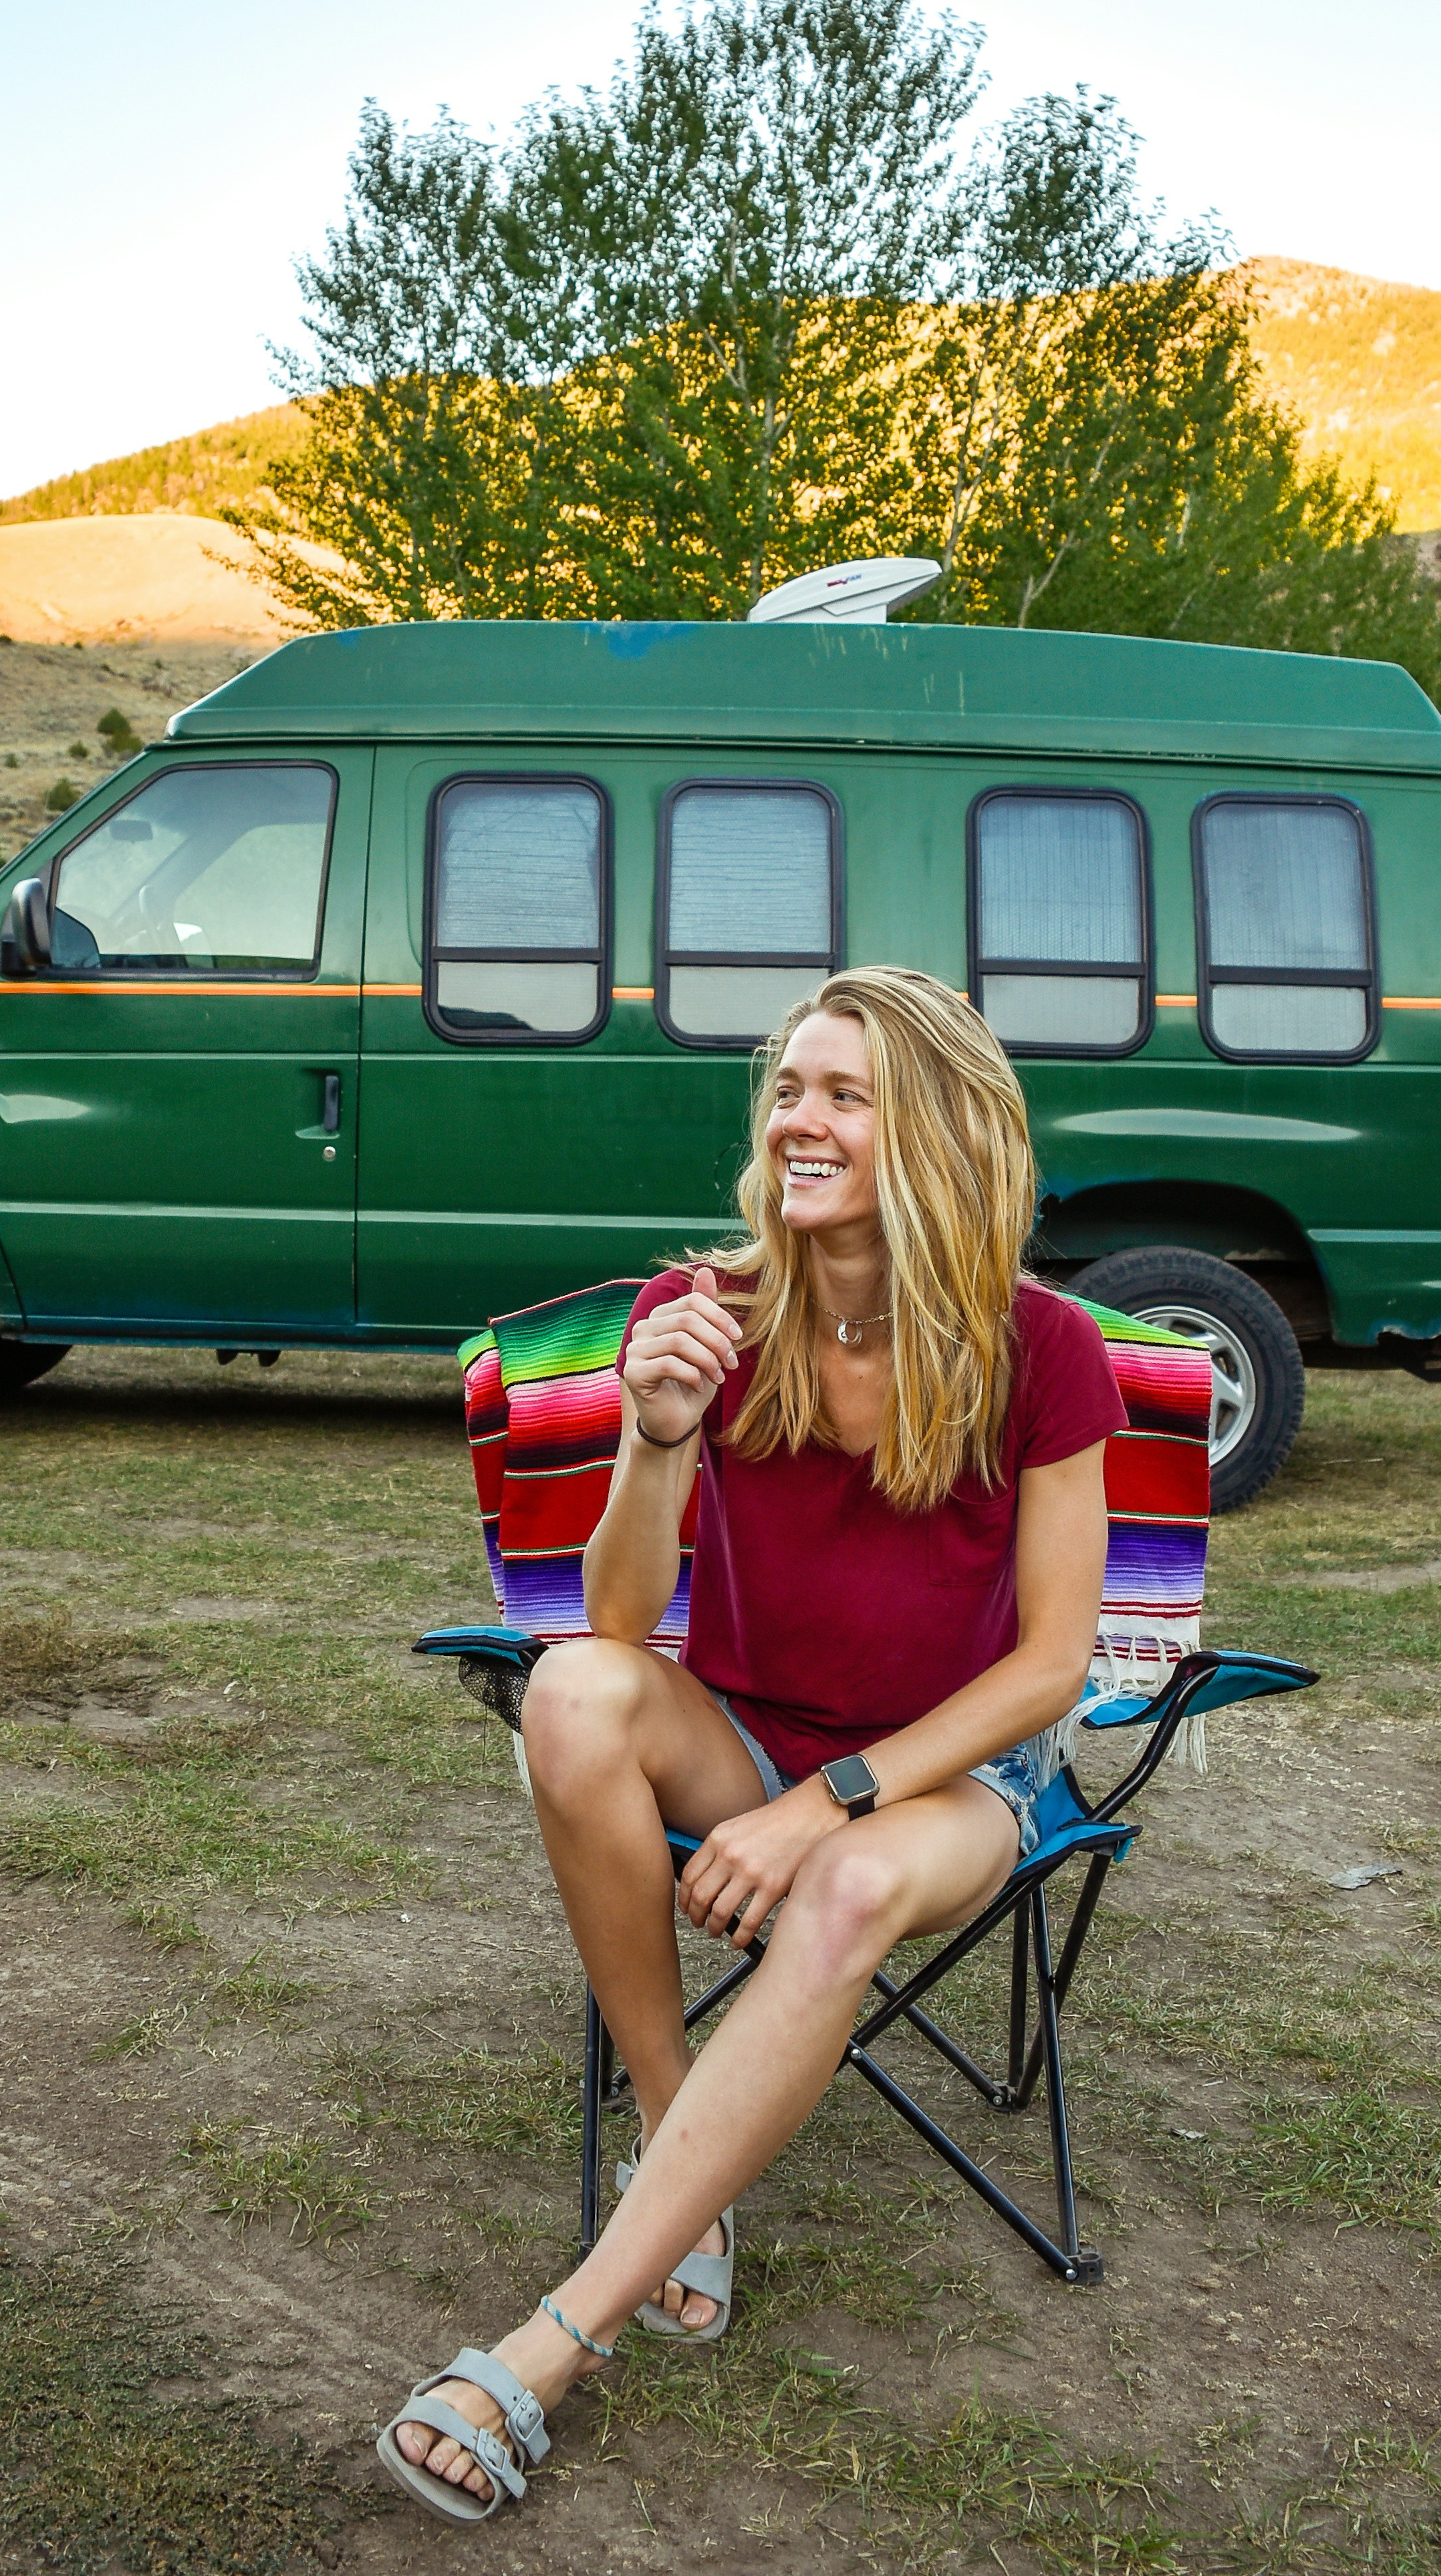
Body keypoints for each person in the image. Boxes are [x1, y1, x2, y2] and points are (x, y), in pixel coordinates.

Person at [377, 964, 1125, 2523]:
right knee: (574, 1694)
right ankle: (678, 2134)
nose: (799, 1115)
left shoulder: (1039, 1344)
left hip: (948, 1775)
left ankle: (551, 2340)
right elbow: (617, 1611)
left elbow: (1055, 1660)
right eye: (789, 1084)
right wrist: (653, 1439)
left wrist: (833, 1803)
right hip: (746, 1726)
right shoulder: (698, 1312)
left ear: (932, 1127)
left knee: (845, 1889)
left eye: (844, 1092)